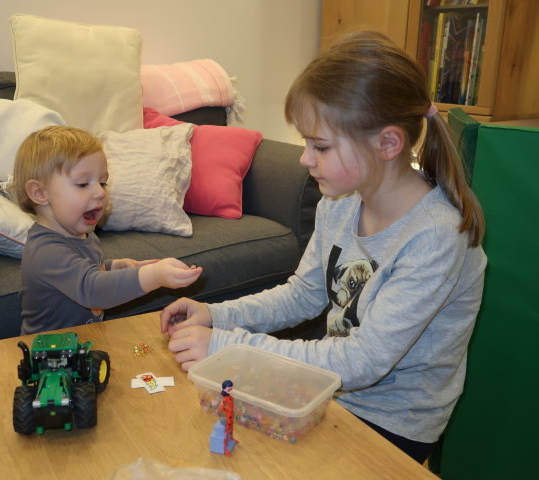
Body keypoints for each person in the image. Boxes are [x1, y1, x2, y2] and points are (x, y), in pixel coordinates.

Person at [160, 30, 487, 463]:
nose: (304, 159)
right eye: (305, 142)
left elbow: (363, 362)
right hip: (327, 392)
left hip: (391, 424)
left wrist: (225, 347)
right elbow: (303, 293)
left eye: (321, 146)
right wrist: (216, 314)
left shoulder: (436, 235)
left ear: (387, 144)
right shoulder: (340, 202)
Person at [12, 125, 202, 335]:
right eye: (83, 184)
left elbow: (82, 269)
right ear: (39, 193)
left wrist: (111, 267)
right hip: (48, 354)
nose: (100, 192)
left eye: (103, 183)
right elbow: (93, 289)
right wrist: (153, 276)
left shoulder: (84, 235)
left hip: (84, 342)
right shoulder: (45, 251)